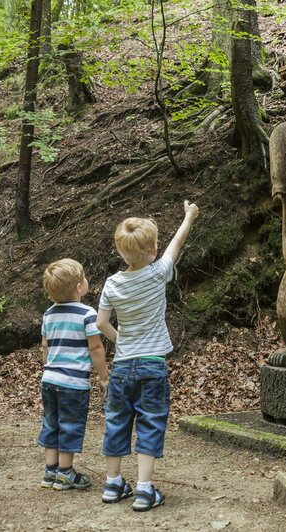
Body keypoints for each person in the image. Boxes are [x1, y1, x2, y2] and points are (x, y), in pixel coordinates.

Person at [96, 200, 199, 511]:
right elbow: (177, 243)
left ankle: (113, 484)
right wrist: (189, 215)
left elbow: (101, 324)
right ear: (153, 249)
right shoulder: (157, 273)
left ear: (121, 251)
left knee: (117, 421)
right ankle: (143, 490)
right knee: (151, 423)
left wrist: (122, 339)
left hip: (122, 367)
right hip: (152, 365)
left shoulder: (112, 284)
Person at [38, 258, 109, 490]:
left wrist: (49, 368)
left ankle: (50, 471)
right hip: (73, 382)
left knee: (52, 422)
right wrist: (103, 376)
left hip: (49, 379)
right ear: (79, 287)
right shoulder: (87, 314)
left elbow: (45, 347)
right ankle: (66, 473)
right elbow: (96, 348)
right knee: (69, 424)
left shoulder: (48, 314)